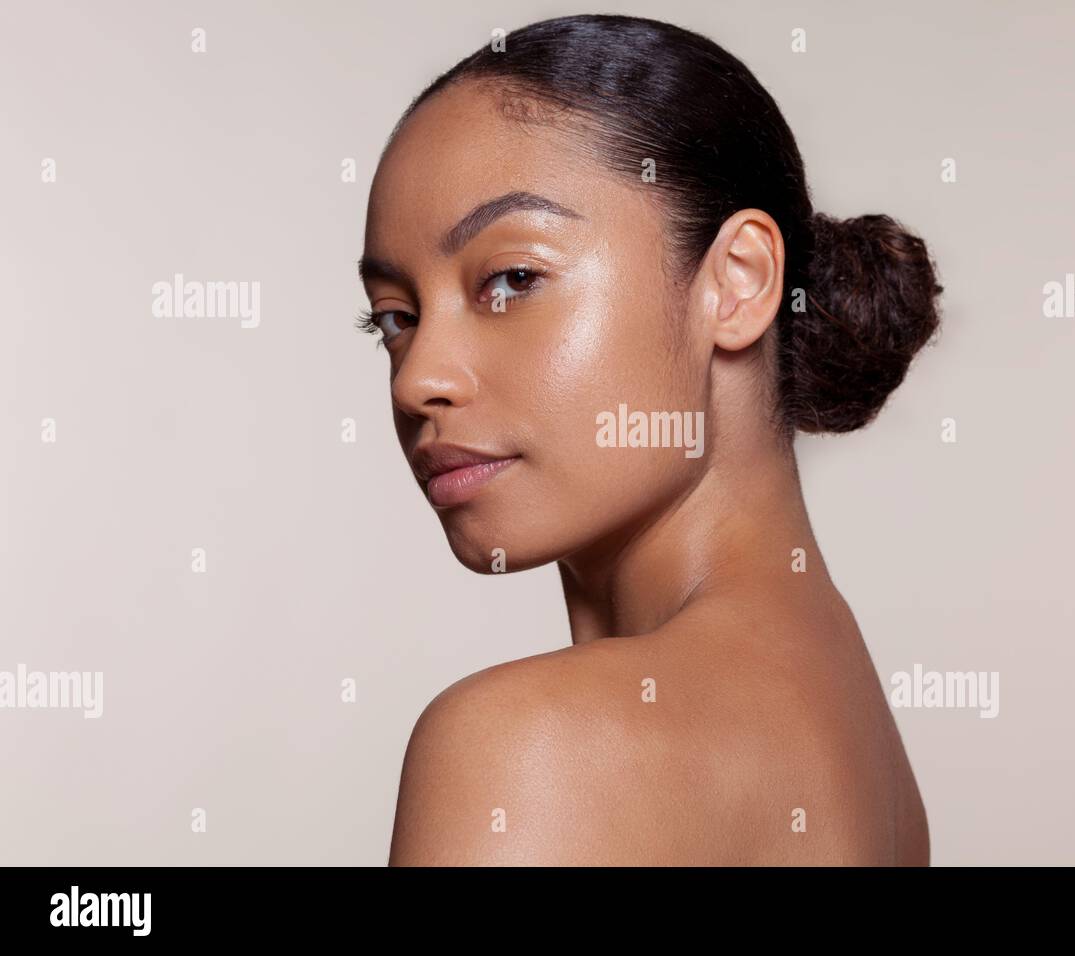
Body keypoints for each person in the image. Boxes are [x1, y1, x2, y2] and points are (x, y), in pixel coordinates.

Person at [358, 14, 942, 865]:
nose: (418, 380)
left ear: (737, 284)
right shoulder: (861, 746)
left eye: (513, 279)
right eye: (394, 318)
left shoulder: (524, 748)